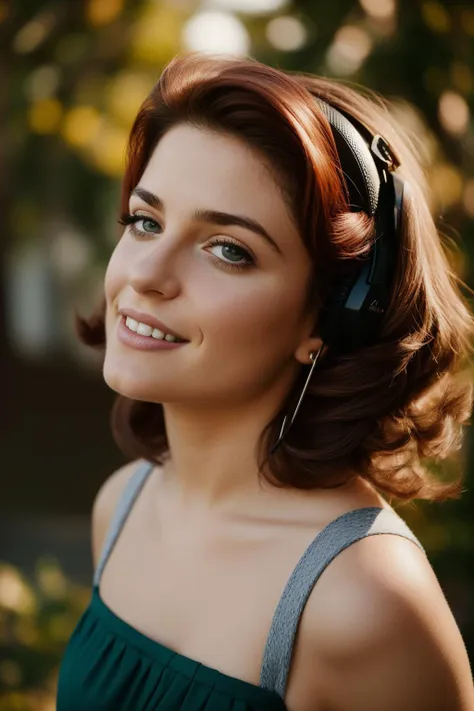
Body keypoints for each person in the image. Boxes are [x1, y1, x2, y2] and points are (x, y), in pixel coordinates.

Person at [56, 52, 474, 711]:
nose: (148, 274)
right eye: (146, 221)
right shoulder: (122, 505)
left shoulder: (363, 597)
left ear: (329, 318)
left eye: (228, 248)